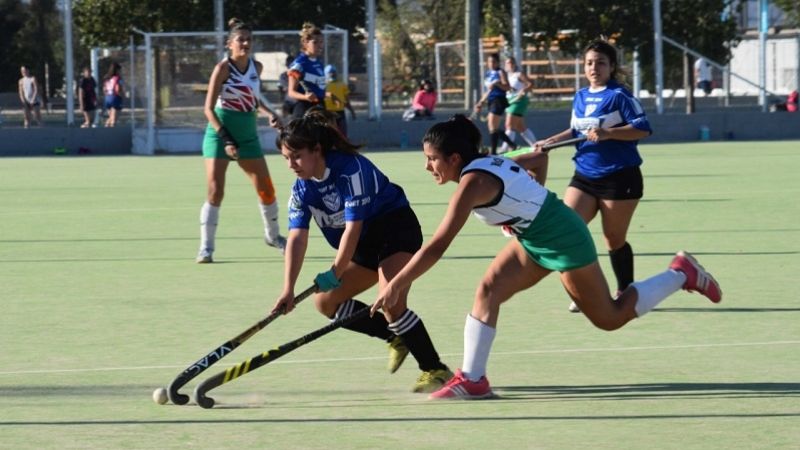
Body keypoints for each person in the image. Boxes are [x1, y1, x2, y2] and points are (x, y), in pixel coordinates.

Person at [370, 115, 722, 400]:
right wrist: (528, 203)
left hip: (564, 238)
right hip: (537, 235)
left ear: (455, 159)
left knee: (610, 318)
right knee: (489, 289)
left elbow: (437, 245)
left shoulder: (471, 184)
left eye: (431, 159)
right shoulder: (492, 161)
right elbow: (538, 158)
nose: (428, 167)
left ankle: (680, 273)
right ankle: (473, 379)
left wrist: (397, 284)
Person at [271, 110, 453, 393]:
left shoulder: (350, 170)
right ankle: (396, 337)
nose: (291, 164)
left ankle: (436, 369)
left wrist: (336, 270)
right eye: (286, 158)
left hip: (394, 232)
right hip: (364, 245)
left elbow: (352, 229)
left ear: (317, 150)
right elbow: (297, 238)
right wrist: (287, 289)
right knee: (326, 303)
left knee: (391, 301)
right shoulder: (301, 189)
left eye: (296, 155)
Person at [535, 40, 651, 314]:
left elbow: (642, 128)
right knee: (566, 231)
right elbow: (576, 130)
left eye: (600, 62)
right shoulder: (581, 96)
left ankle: (626, 290)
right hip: (584, 176)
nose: (594, 67)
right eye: (589, 63)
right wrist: (550, 141)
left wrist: (609, 133)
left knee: (613, 239)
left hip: (620, 178)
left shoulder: (619, 95)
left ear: (611, 66)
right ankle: (586, 294)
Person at [196, 17, 286, 263]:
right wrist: (226, 139)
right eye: (240, 40)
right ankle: (206, 248)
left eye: (248, 39)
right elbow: (207, 109)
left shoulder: (256, 68)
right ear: (229, 44)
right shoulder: (222, 68)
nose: (245, 43)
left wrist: (269, 114)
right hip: (220, 133)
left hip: (247, 135)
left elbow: (252, 99)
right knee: (216, 190)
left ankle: (274, 236)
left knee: (266, 189)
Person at [474, 53, 516, 155]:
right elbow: (488, 90)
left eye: (494, 62)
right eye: (489, 62)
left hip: (499, 100)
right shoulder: (488, 73)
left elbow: (507, 87)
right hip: (491, 100)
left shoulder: (500, 72)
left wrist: (497, 83)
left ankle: (494, 152)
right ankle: (511, 144)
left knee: (492, 126)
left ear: (497, 62)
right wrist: (481, 102)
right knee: (492, 127)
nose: (491, 64)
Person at [286, 23, 328, 119]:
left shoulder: (319, 62)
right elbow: (291, 92)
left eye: (321, 42)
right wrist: (306, 97)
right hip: (305, 109)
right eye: (315, 42)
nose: (320, 45)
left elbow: (319, 88)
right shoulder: (299, 64)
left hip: (320, 106)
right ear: (305, 43)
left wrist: (329, 95)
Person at [500, 56, 537, 152]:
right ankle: (536, 146)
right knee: (521, 127)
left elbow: (531, 84)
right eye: (508, 63)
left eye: (512, 63)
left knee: (509, 125)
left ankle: (504, 149)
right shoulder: (505, 76)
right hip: (510, 101)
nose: (510, 65)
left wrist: (523, 91)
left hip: (519, 101)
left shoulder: (518, 74)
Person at [323, 64, 355, 136]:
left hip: (340, 112)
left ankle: (342, 145)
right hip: (327, 112)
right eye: (330, 73)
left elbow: (346, 100)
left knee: (342, 133)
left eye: (333, 72)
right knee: (328, 132)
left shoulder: (342, 84)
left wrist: (352, 111)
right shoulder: (322, 85)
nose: (332, 74)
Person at [102, 62, 124, 127]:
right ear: (117, 70)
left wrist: (107, 95)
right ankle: (111, 134)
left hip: (108, 98)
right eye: (119, 70)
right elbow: (118, 89)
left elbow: (104, 89)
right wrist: (122, 95)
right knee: (114, 120)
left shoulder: (106, 77)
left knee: (110, 117)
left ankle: (105, 130)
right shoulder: (118, 78)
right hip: (115, 98)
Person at [278, 54, 296, 119]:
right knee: (284, 111)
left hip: (299, 101)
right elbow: (288, 87)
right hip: (288, 101)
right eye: (289, 63)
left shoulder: (299, 75)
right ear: (286, 64)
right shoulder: (283, 76)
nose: (291, 65)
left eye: (292, 63)